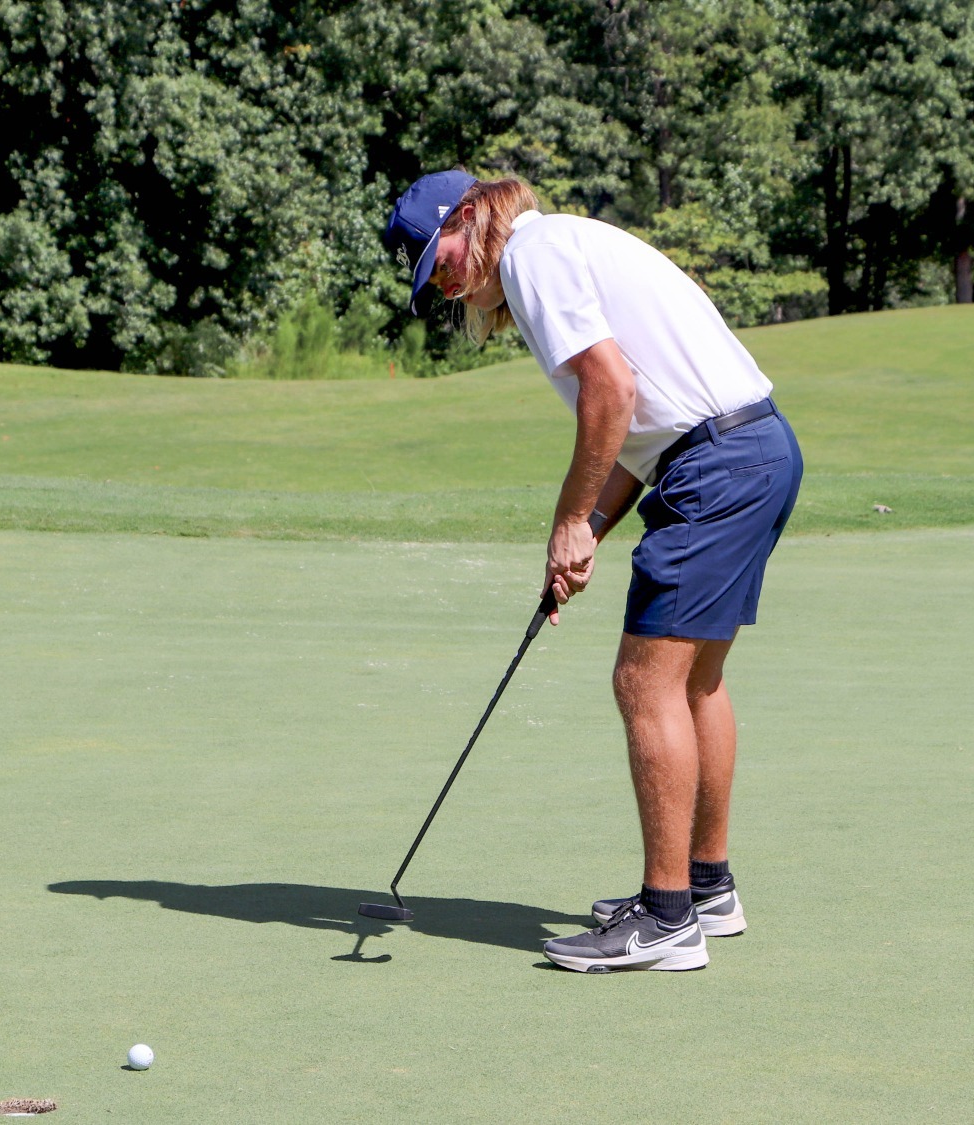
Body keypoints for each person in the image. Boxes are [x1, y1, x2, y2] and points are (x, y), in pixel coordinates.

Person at [381, 170, 801, 973]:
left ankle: (667, 918)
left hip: (715, 466)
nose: (442, 279)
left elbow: (612, 392)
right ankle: (707, 889)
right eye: (430, 275)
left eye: (443, 254)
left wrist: (569, 522)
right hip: (753, 450)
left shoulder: (534, 256)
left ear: (471, 215)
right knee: (695, 681)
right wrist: (591, 529)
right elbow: (643, 430)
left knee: (644, 684)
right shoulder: (562, 248)